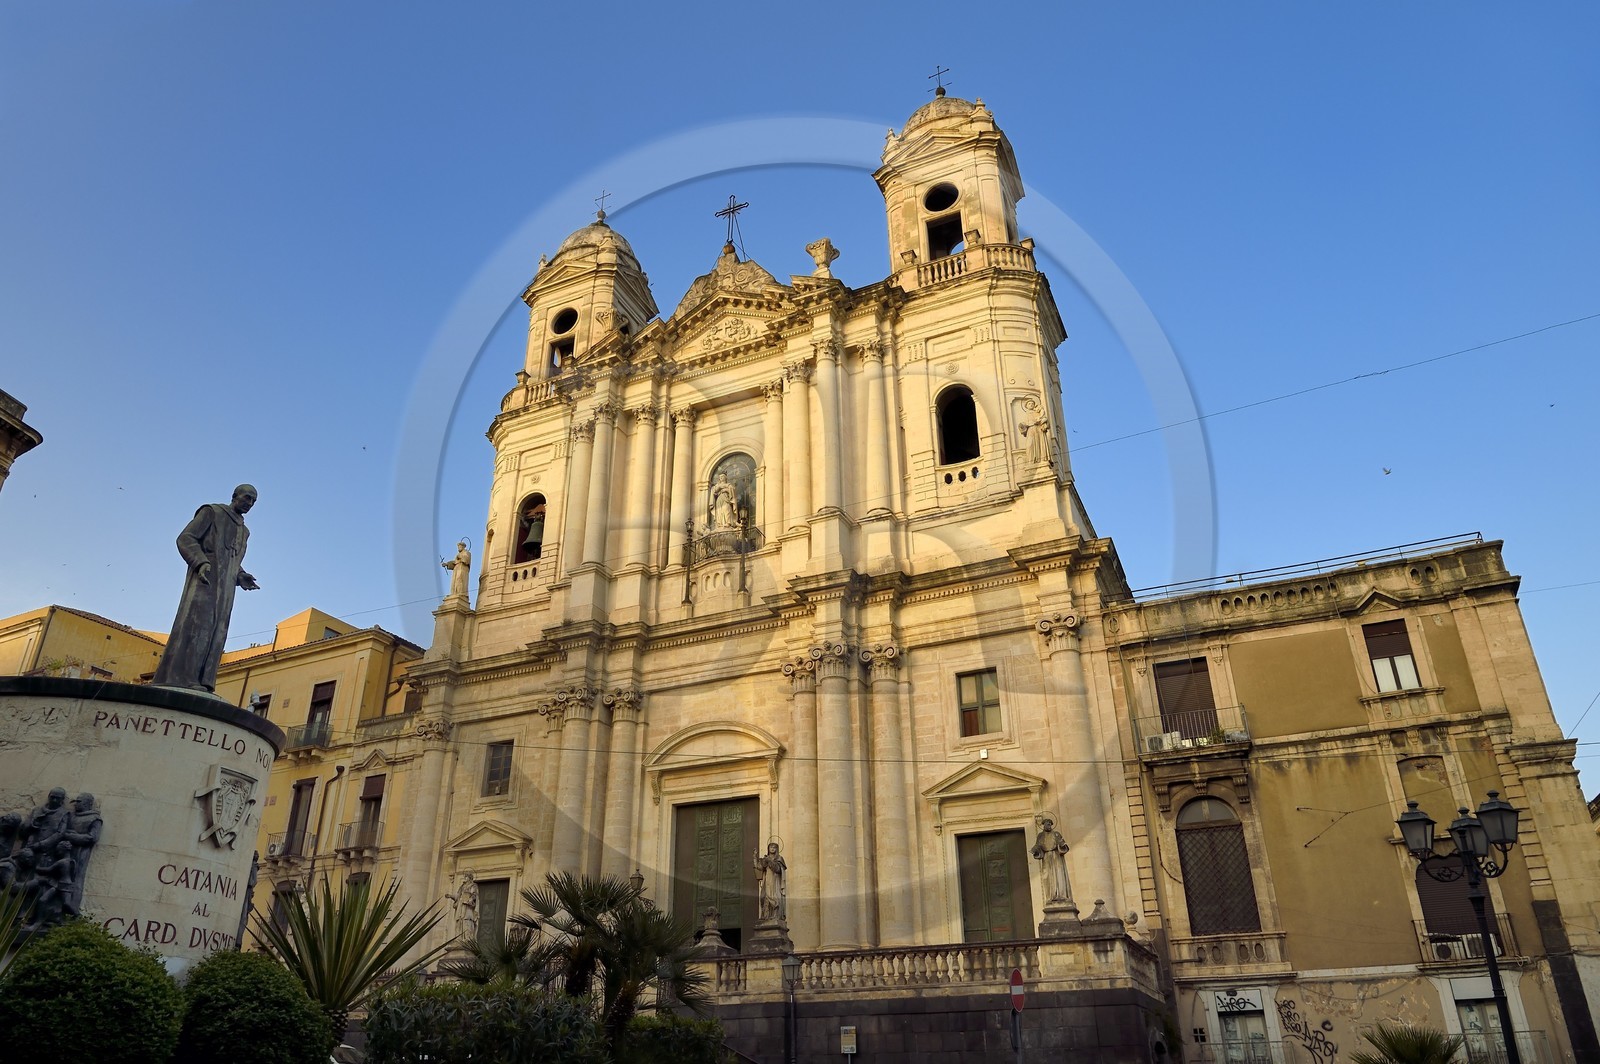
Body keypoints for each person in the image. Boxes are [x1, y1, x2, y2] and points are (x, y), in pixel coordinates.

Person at [152, 484, 261, 692]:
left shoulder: (244, 532)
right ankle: (183, 678)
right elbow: (186, 538)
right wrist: (200, 562)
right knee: (196, 626)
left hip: (226, 590)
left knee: (217, 631)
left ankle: (203, 681)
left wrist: (240, 575)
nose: (250, 504)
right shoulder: (212, 512)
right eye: (247, 498)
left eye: (254, 501)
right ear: (234, 496)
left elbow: (232, 558)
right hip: (206, 579)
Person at [1031, 817, 1073, 905]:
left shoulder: (1056, 834)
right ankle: (1051, 896)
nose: (1049, 826)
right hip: (1046, 857)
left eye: (1050, 824)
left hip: (1056, 856)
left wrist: (1061, 845)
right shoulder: (1040, 836)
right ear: (1043, 825)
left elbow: (1063, 845)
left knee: (1059, 874)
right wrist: (1035, 850)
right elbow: (1038, 846)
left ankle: (1061, 895)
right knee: (1047, 876)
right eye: (1047, 824)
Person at [754, 841, 787, 922]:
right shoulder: (766, 858)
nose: (772, 849)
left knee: (773, 896)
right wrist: (755, 857)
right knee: (763, 897)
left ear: (777, 849)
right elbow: (759, 867)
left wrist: (770, 861)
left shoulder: (779, 858)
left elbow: (778, 869)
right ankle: (766, 915)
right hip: (767, 881)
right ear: (768, 849)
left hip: (774, 880)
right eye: (770, 847)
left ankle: (775, 915)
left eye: (774, 847)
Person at [446, 872, 479, 942]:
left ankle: (468, 938)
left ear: (470, 877)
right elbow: (458, 895)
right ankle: (459, 938)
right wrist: (450, 896)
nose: (465, 878)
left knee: (467, 920)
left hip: (468, 906)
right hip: (461, 906)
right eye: (465, 877)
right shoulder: (462, 886)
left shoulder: (473, 885)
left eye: (466, 877)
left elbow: (474, 895)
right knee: (460, 920)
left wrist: (470, 900)